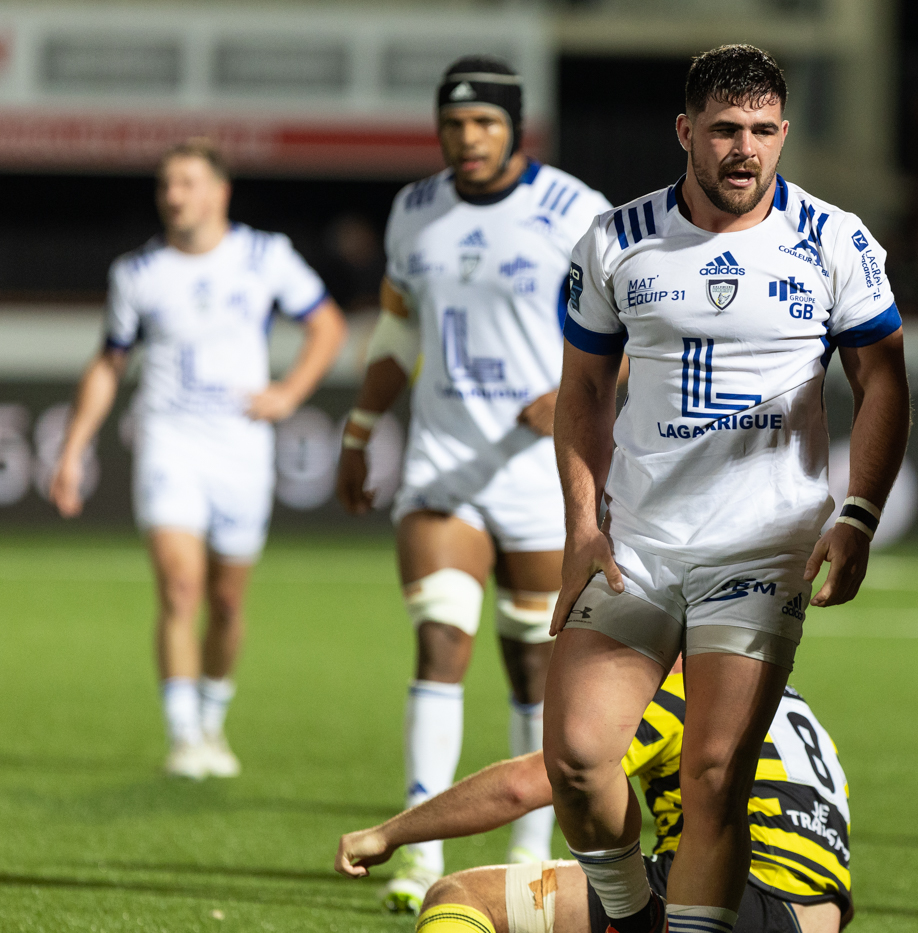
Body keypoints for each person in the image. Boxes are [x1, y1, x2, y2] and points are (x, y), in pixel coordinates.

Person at [545, 44, 908, 933]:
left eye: (762, 130)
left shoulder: (835, 239)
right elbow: (584, 390)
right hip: (639, 544)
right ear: (686, 132)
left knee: (714, 774)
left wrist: (858, 514)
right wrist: (583, 525)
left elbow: (884, 384)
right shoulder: (616, 239)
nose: (744, 149)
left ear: (783, 132)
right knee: (579, 761)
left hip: (763, 546)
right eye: (723, 130)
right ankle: (633, 918)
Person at [334, 56, 610, 910]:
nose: (468, 138)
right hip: (442, 462)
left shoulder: (575, 209)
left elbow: (635, 327)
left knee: (534, 666)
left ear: (515, 127)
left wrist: (575, 396)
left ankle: (527, 849)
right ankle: (419, 854)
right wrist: (361, 425)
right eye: (454, 124)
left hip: (539, 472)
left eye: (485, 122)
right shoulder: (414, 210)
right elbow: (396, 328)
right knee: (440, 638)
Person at [49, 139, 347, 780]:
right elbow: (109, 363)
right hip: (169, 440)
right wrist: (72, 449)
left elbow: (327, 325)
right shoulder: (138, 272)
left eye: (187, 183)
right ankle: (184, 736)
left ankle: (211, 718)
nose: (174, 196)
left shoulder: (265, 256)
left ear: (219, 192)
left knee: (228, 601)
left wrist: (289, 393)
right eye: (166, 185)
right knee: (179, 588)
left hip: (241, 446)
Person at [335, 663, 852, 933]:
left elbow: (526, 784)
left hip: (734, 900)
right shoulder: (791, 709)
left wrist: (388, 834)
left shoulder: (686, 693)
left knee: (462, 896)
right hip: (816, 919)